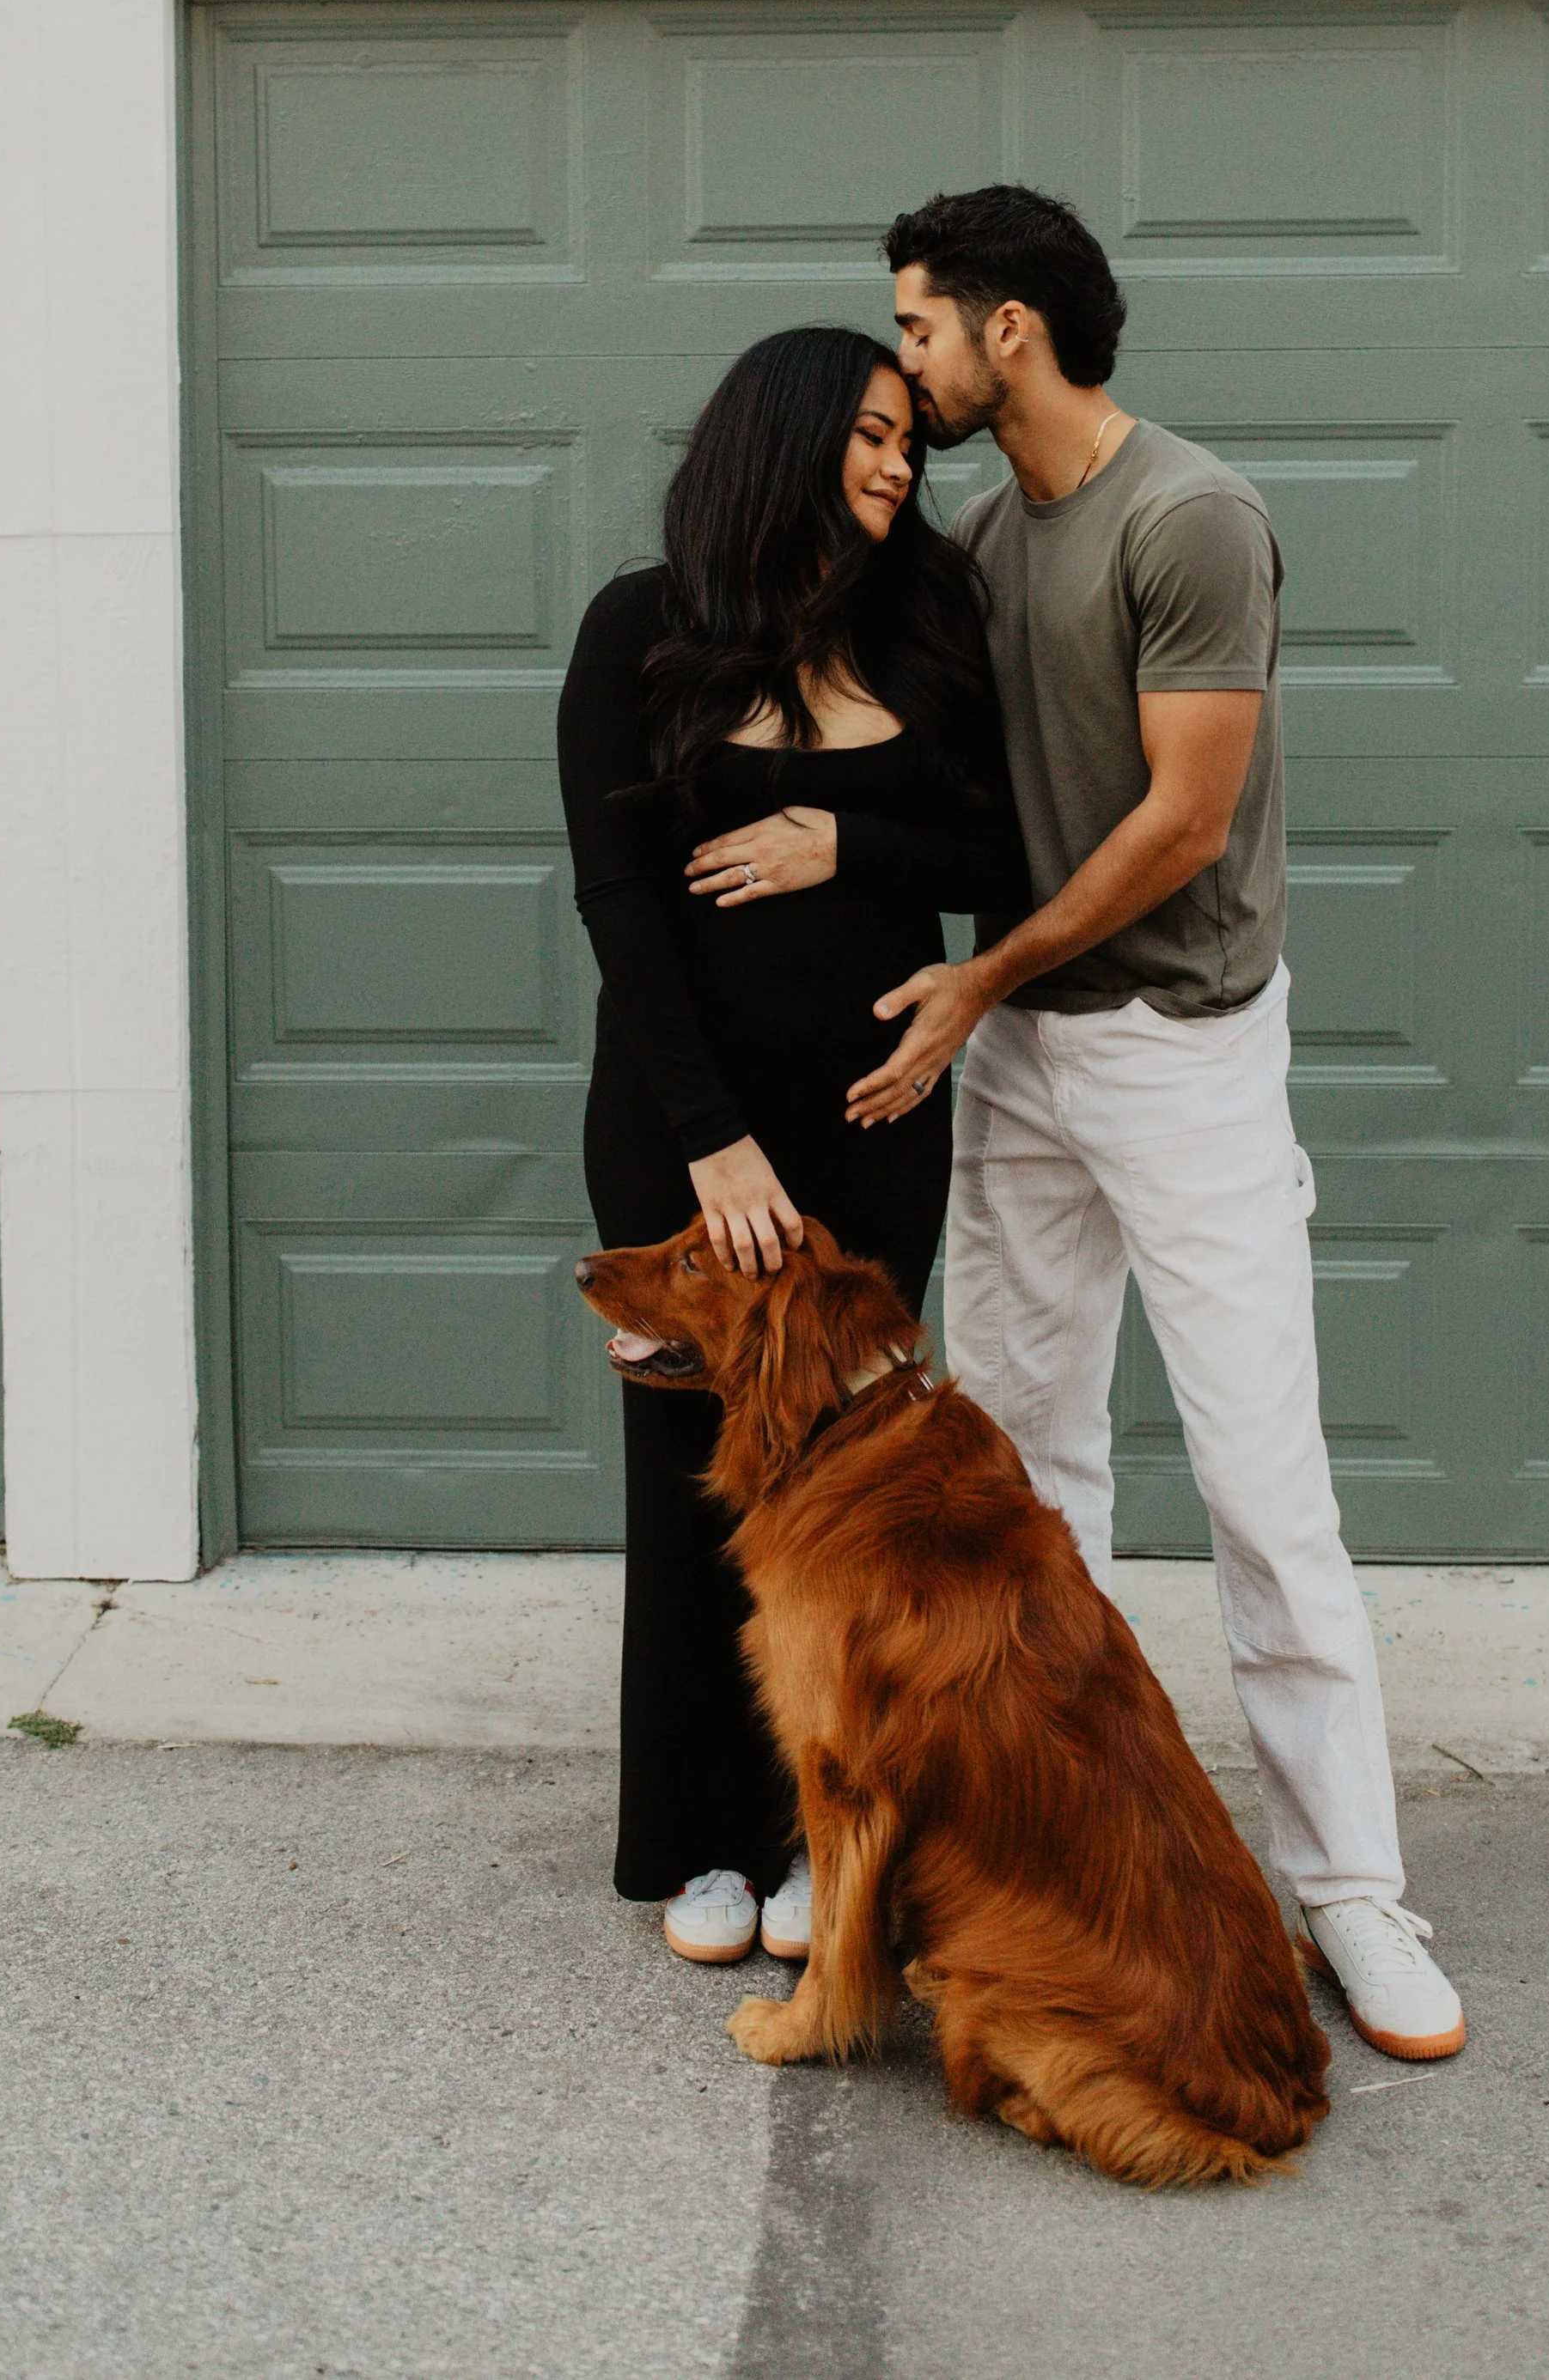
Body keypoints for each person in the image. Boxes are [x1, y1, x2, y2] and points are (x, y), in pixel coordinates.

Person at [848, 185, 1467, 2067]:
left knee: (1264, 1494)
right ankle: (1049, 1858)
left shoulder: (1186, 517)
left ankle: (1351, 1897)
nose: (907, 362)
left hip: (1182, 1051)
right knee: (1026, 1488)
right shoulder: (972, 539)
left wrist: (975, 978)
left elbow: (1184, 822)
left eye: (917, 330)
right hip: (1024, 1050)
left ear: (1006, 327)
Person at [557, 325, 1026, 1971]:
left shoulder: (930, 619)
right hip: (691, 1146)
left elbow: (1003, 841)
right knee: (700, 1483)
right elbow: (621, 904)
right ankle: (699, 1837)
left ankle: (830, 1835)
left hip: (877, 1129)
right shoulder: (643, 631)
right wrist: (715, 1151)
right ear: (787, 436)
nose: (906, 464)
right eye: (876, 435)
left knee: (852, 1501)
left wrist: (847, 842)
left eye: (915, 440)